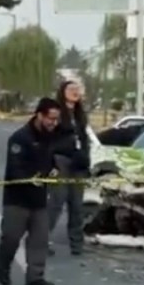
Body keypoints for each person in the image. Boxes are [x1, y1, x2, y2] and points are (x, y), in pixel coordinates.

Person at [0, 97, 60, 285]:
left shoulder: (50, 137)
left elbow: (51, 159)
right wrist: (30, 178)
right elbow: (15, 168)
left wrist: (53, 170)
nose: (53, 123)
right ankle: (3, 265)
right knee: (11, 237)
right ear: (39, 115)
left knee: (39, 240)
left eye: (56, 119)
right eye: (50, 118)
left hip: (39, 199)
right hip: (17, 198)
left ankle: (35, 277)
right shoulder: (20, 138)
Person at [47, 80, 92, 256]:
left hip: (78, 163)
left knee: (77, 205)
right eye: (71, 89)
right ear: (63, 92)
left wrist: (86, 159)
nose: (75, 92)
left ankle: (77, 244)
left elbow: (85, 138)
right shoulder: (55, 112)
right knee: (56, 203)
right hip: (61, 161)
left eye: (77, 89)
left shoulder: (81, 114)